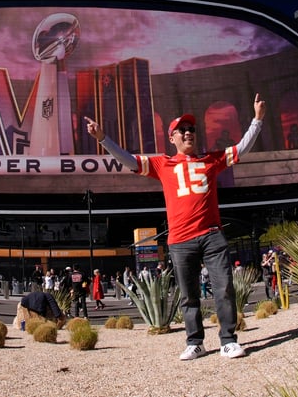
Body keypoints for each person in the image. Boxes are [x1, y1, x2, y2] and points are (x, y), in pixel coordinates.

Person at [85, 93, 266, 360]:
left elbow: (241, 148)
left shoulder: (211, 160)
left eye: (191, 129)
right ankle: (195, 342)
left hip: (212, 235)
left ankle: (228, 340)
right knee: (188, 294)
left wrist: (257, 120)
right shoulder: (162, 164)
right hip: (180, 240)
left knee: (224, 288)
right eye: (182, 130)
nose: (188, 133)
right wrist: (103, 139)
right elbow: (128, 160)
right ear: (172, 138)